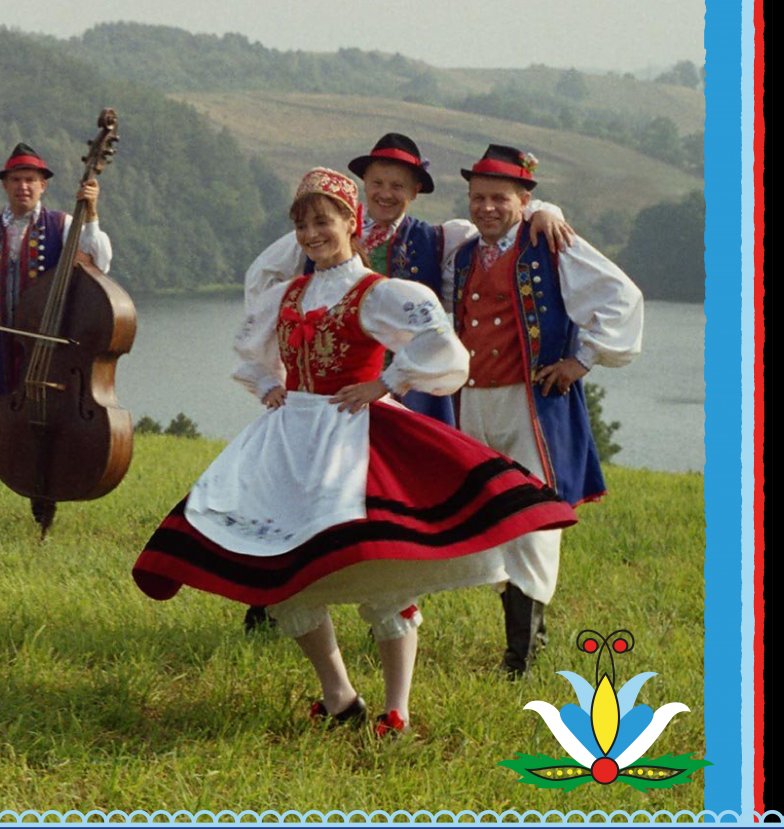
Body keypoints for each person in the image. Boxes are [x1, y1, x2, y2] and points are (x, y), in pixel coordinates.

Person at [131, 168, 579, 737]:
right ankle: (341, 698)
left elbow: (445, 352)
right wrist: (269, 382)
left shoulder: (377, 293)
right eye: (303, 224)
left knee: (386, 580)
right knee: (286, 580)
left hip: (352, 443)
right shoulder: (289, 294)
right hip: (290, 442)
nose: (313, 233)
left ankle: (397, 710)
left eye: (324, 220)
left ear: (351, 222)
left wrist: (386, 383)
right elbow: (252, 351)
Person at [234, 132, 574, 635]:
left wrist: (543, 207)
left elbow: (498, 220)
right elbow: (262, 284)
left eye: (398, 185)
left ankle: (397, 612)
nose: (386, 193)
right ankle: (276, 600)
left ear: (414, 192)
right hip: (322, 396)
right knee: (297, 490)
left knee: (397, 504)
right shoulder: (319, 227)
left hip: (403, 392)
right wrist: (281, 370)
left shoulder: (440, 237)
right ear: (362, 188)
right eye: (378, 183)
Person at [445, 144, 644, 678]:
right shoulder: (464, 251)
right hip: (474, 403)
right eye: (478, 197)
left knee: (532, 521)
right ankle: (529, 634)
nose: (486, 208)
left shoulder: (549, 243)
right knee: (491, 518)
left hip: (531, 404)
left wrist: (580, 361)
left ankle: (521, 657)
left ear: (523, 200)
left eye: (499, 198)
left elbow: (622, 297)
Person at [0, 142, 112, 530]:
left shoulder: (64, 226)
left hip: (47, 351)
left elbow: (100, 261)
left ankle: (43, 509)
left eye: (31, 181)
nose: (24, 187)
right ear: (5, 185)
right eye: (17, 180)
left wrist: (91, 213)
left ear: (43, 187)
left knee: (45, 427)